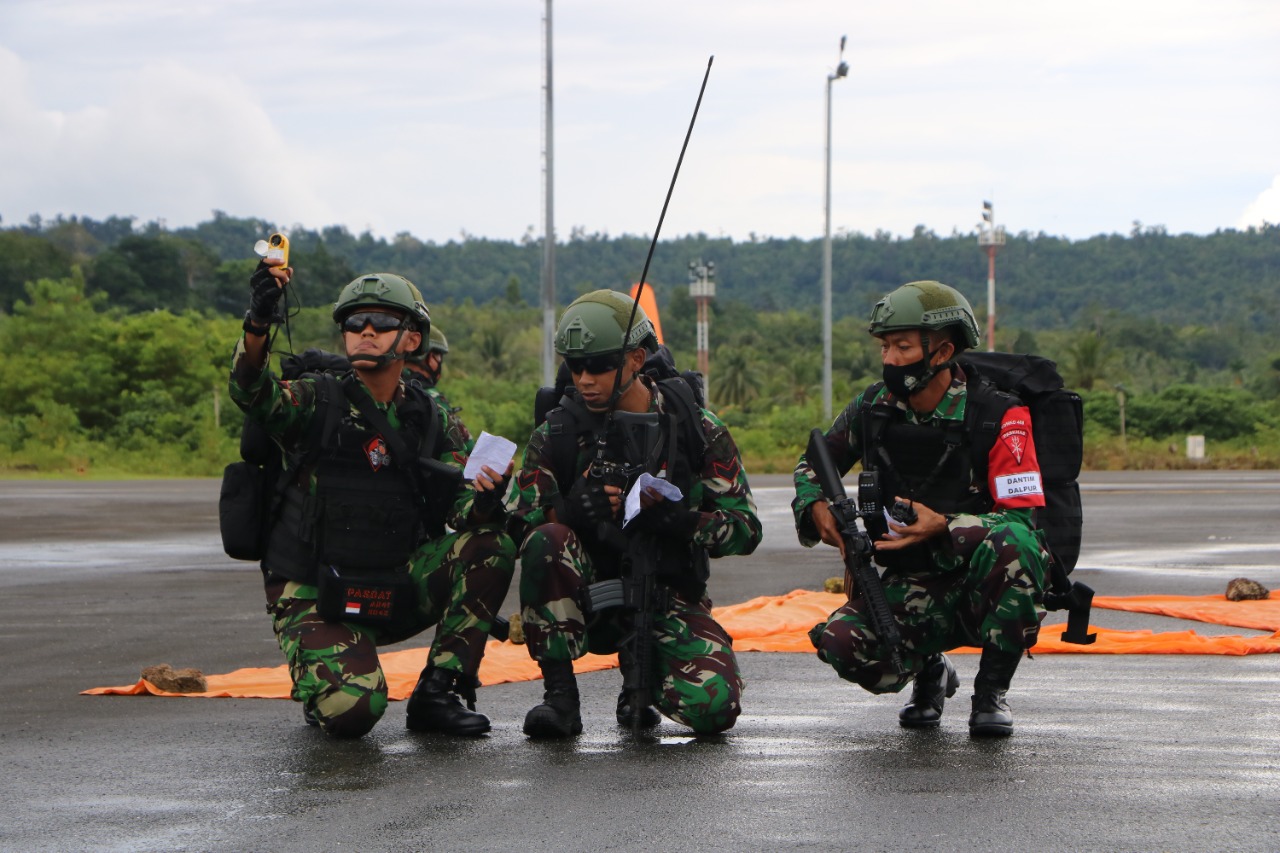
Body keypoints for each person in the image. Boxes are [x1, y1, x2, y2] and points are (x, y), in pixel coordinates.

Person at [231, 261, 515, 738]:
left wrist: (486, 498)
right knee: (353, 713)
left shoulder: (429, 415)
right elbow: (251, 392)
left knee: (490, 544)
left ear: (411, 339)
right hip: (314, 588)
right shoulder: (313, 401)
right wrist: (259, 321)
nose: (365, 331)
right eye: (353, 323)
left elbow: (460, 508)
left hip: (391, 581)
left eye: (382, 322)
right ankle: (326, 674)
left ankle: (439, 692)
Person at [792, 280, 1049, 736]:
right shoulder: (872, 408)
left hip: (978, 584)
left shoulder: (999, 416)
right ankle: (930, 674)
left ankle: (991, 693)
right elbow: (814, 465)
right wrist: (815, 505)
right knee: (842, 644)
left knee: (1017, 544)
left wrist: (944, 526)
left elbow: (1019, 517)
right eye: (885, 346)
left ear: (942, 350)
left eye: (903, 346)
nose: (889, 359)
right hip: (907, 582)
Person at [507, 289, 762, 738]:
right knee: (547, 540)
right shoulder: (557, 432)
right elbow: (519, 527)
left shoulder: (696, 429)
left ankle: (641, 685)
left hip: (667, 595)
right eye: (574, 365)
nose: (584, 378)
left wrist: (683, 522)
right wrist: (571, 511)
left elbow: (744, 530)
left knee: (714, 707)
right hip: (585, 602)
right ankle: (560, 698)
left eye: (599, 365)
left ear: (635, 359)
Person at [404, 324, 475, 453]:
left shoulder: (389, 385)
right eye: (438, 356)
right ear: (430, 357)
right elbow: (467, 446)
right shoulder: (430, 395)